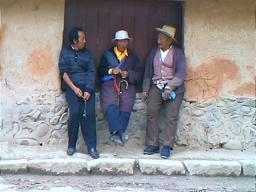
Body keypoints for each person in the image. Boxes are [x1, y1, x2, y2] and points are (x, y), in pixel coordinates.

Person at [142, 25, 186, 159]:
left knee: (171, 116)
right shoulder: (153, 52)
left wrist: (170, 87)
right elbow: (148, 73)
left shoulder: (178, 53)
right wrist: (145, 89)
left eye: (162, 37)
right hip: (156, 86)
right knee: (151, 112)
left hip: (174, 89)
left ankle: (167, 146)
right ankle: (152, 144)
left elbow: (181, 73)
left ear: (169, 40)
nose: (159, 39)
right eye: (158, 36)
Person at [58, 27, 99, 159]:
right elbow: (63, 72)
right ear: (75, 40)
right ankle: (71, 145)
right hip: (72, 87)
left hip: (87, 88)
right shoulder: (65, 52)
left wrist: (88, 89)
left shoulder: (87, 53)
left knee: (90, 114)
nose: (85, 41)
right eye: (82, 38)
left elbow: (91, 72)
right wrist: (74, 88)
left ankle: (92, 147)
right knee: (75, 112)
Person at [98, 30, 142, 145]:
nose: (123, 43)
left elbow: (138, 74)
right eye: (121, 41)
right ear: (116, 42)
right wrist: (111, 70)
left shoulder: (132, 57)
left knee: (126, 105)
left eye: (125, 41)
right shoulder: (107, 54)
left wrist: (128, 74)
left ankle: (116, 134)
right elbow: (100, 71)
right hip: (110, 84)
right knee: (110, 104)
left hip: (126, 85)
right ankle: (120, 133)